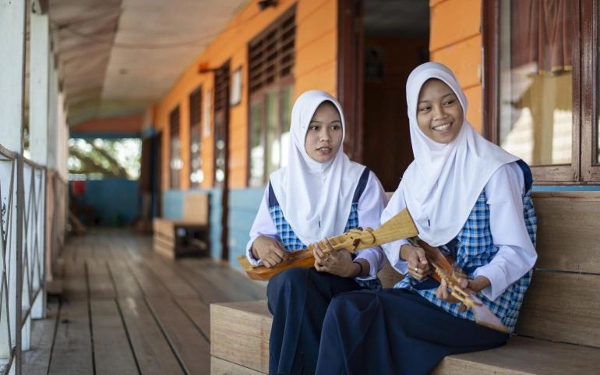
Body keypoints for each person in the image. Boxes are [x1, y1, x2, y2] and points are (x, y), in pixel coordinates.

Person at [314, 62, 538, 375]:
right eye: (425, 108)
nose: (440, 116)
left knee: (355, 315)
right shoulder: (417, 173)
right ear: (413, 116)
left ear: (461, 100)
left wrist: (474, 282)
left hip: (482, 310)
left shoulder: (495, 169)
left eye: (448, 102)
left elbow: (516, 251)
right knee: (350, 312)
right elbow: (388, 229)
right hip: (426, 296)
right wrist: (409, 253)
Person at [246, 89, 388, 375]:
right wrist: (260, 245)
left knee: (297, 292)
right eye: (315, 127)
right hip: (289, 289)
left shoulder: (361, 180)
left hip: (347, 289)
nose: (326, 136)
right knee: (295, 283)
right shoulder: (280, 184)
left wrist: (352, 267)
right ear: (299, 131)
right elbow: (258, 239)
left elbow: (378, 245)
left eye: (335, 127)